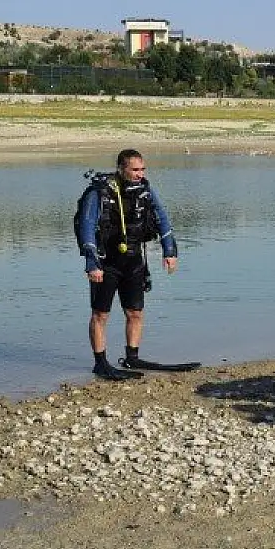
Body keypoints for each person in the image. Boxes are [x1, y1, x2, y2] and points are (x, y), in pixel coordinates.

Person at [77, 149, 178, 381]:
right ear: (121, 168)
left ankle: (132, 357)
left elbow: (162, 218)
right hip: (105, 262)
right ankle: (100, 363)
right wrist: (92, 264)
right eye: (135, 170)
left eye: (142, 169)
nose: (139, 174)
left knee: (135, 312)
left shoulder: (144, 190)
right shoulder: (99, 193)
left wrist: (169, 251)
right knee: (100, 315)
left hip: (133, 260)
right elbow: (87, 228)